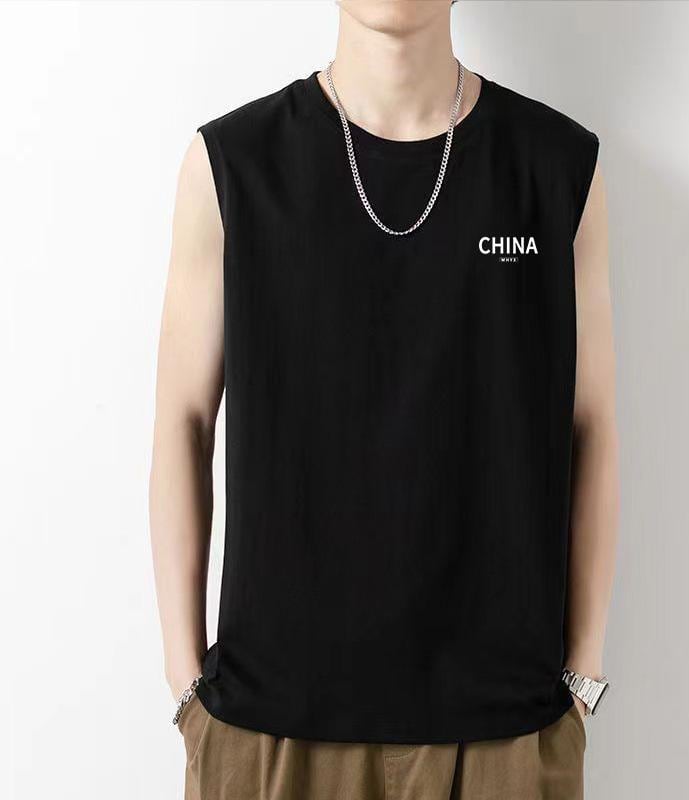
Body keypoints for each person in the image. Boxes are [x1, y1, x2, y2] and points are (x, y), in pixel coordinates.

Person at [150, 1, 618, 798]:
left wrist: (583, 675)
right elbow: (182, 421)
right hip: (269, 726)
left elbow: (592, 425)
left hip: (508, 729)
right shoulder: (233, 162)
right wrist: (186, 682)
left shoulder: (556, 165)